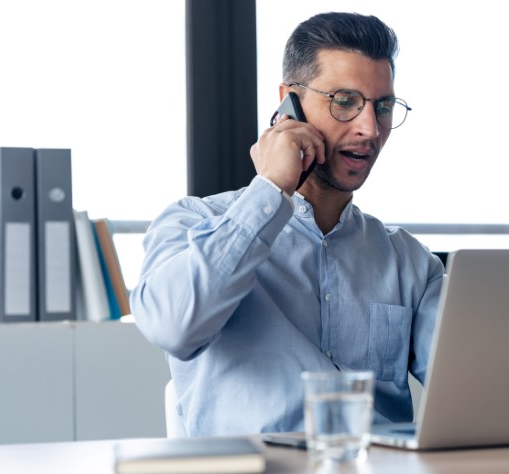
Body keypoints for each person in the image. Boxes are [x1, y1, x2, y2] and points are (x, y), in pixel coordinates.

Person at [130, 12, 445, 436]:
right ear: (288, 104)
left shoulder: (410, 262)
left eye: (383, 106)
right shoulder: (194, 222)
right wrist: (272, 188)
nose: (370, 129)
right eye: (345, 101)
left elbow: (474, 383)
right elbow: (173, 326)